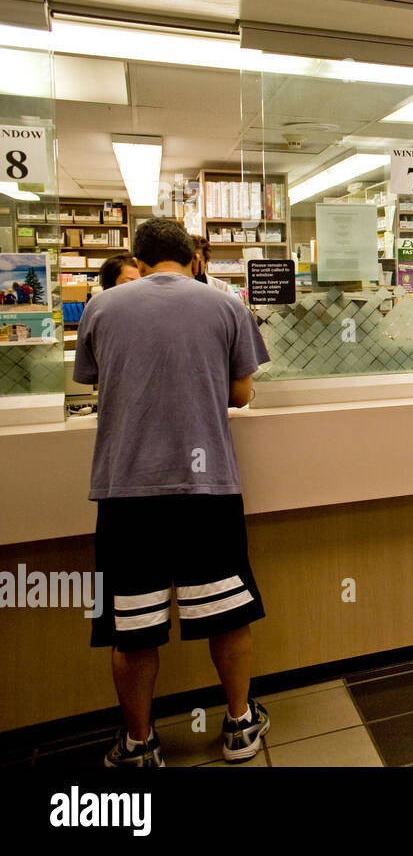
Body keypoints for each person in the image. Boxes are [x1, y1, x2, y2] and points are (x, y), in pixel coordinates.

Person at [73, 218, 272, 766]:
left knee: (132, 627)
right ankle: (238, 726)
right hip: (206, 487)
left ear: (136, 258)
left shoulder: (102, 307)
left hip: (125, 488)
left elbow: (92, 381)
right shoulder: (226, 305)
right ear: (191, 256)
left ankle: (139, 744)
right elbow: (240, 392)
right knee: (227, 614)